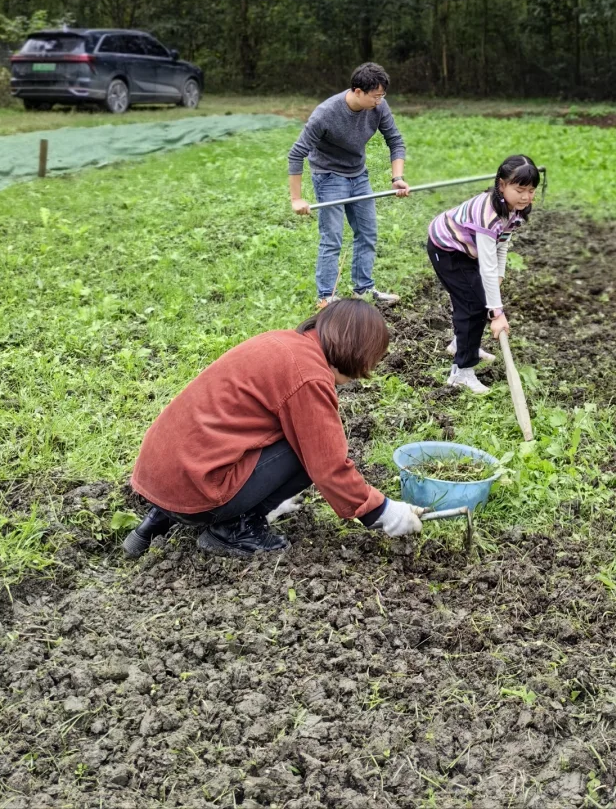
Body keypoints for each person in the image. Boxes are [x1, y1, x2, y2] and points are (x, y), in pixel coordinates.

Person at [124, 299, 424, 558]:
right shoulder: (308, 376)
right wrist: (381, 510)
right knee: (309, 448)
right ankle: (232, 528)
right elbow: (327, 465)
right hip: (196, 487)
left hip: (162, 475)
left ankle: (159, 518)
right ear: (357, 351)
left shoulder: (281, 342)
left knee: (291, 433)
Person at [289, 62, 410, 309]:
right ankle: (326, 297)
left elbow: (395, 141)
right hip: (329, 175)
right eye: (375, 96)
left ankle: (363, 289)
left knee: (367, 232)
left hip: (358, 174)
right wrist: (296, 199)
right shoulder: (326, 114)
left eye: (382, 95)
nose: (380, 101)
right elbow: (296, 153)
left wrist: (397, 178)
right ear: (357, 91)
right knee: (332, 237)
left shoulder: (379, 106)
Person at [426, 155, 542, 394]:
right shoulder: (488, 215)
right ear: (501, 185)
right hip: (446, 248)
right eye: (520, 189)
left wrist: (499, 278)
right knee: (474, 304)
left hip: (468, 251)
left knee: (476, 299)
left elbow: (503, 243)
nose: (526, 196)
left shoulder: (515, 209)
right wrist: (497, 313)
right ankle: (461, 372)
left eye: (531, 191)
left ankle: (462, 343)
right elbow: (486, 265)